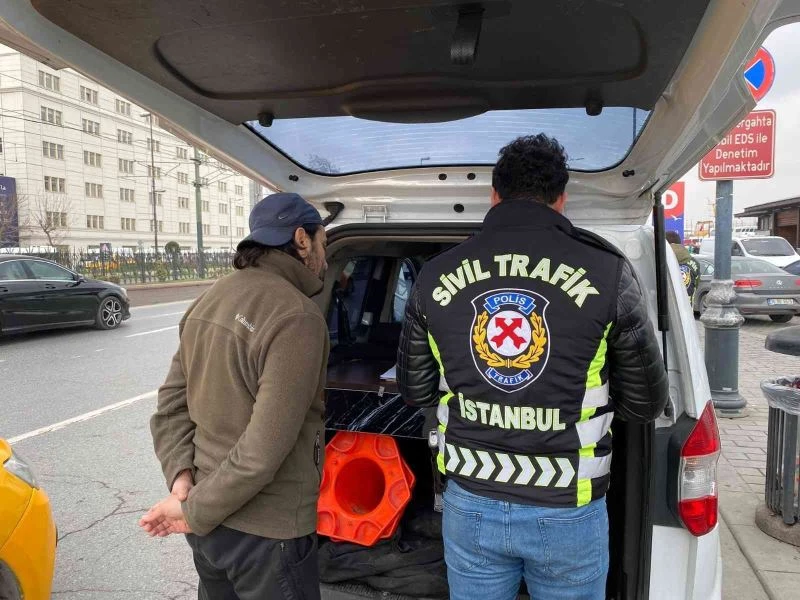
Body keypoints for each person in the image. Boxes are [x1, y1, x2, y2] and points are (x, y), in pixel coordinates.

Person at [397, 134, 669, 600]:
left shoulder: (435, 275)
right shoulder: (607, 274)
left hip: (471, 501)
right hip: (569, 506)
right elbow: (645, 404)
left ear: (493, 196)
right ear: (561, 199)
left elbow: (415, 391)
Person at [139, 192, 330, 600]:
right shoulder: (296, 316)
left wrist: (181, 479)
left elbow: (170, 407)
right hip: (267, 533)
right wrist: (192, 510)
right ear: (301, 239)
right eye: (323, 244)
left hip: (209, 529)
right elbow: (263, 451)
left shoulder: (210, 298)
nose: (325, 260)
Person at [667, 230, 700, 300]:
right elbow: (696, 286)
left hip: (666, 308)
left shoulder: (661, 261)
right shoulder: (695, 263)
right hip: (687, 308)